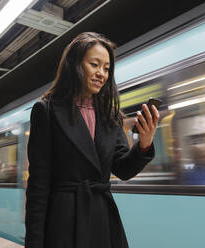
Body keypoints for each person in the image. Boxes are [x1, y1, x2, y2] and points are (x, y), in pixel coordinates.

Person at [25, 32, 159, 248]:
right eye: (94, 65)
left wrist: (144, 144)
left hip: (102, 220)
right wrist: (34, 243)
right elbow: (38, 185)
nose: (101, 74)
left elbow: (123, 169)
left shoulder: (110, 115)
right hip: (64, 223)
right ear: (75, 65)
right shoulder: (47, 110)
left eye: (106, 68)